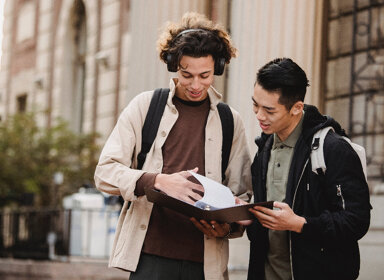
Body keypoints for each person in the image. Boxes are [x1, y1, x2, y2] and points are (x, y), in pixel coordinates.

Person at [94, 12, 251, 280]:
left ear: (219, 68)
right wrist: (158, 181)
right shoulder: (145, 106)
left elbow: (242, 194)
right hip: (149, 259)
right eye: (186, 74)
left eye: (205, 75)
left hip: (205, 265)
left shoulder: (230, 121)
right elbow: (105, 173)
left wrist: (227, 228)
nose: (195, 85)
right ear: (172, 65)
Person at [245, 58, 371, 280]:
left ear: (296, 108)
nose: (259, 116)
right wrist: (244, 213)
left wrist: (301, 224)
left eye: (269, 110)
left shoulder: (333, 149)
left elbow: (356, 221)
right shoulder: (263, 147)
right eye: (255, 104)